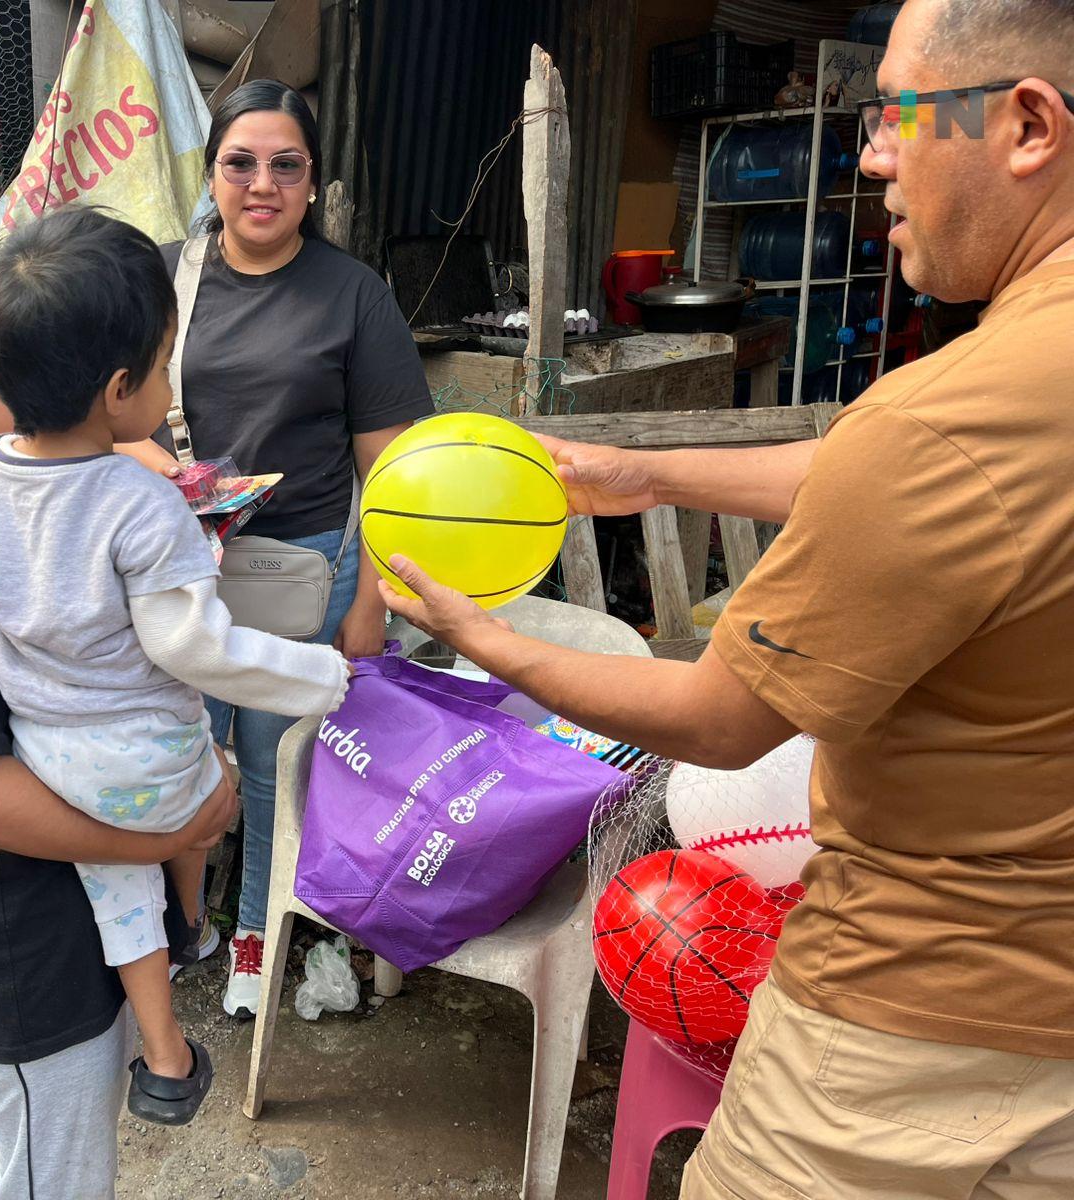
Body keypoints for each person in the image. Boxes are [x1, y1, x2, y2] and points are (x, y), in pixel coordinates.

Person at [381, 2, 1074, 1195]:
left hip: (911, 1022)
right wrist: (641, 472)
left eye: (897, 113)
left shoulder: (950, 417)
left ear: (1025, 125)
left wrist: (480, 636)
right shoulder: (1006, 392)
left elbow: (718, 718)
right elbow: (875, 466)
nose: (869, 154)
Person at [0, 209, 349, 1122]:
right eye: (161, 368)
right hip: (146, 760)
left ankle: (164, 1046)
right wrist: (328, 678)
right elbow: (192, 647)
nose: (166, 389)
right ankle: (189, 922)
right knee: (207, 781)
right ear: (119, 389)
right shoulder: (140, 506)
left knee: (120, 890)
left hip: (53, 760)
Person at [0, 257, 238, 1196]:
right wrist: (161, 831)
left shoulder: (24, 525)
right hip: (18, 955)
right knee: (50, 1178)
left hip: (69, 934)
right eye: (30, 386)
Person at [127, 80, 433, 1019]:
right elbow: (109, 414)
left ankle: (261, 929)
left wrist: (371, 603)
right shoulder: (168, 280)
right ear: (213, 172)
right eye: (241, 163)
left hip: (303, 566)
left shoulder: (353, 295)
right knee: (180, 751)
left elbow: (394, 472)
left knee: (272, 762)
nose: (262, 184)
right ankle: (187, 926)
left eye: (285, 165)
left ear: (312, 182)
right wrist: (166, 470)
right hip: (177, 564)